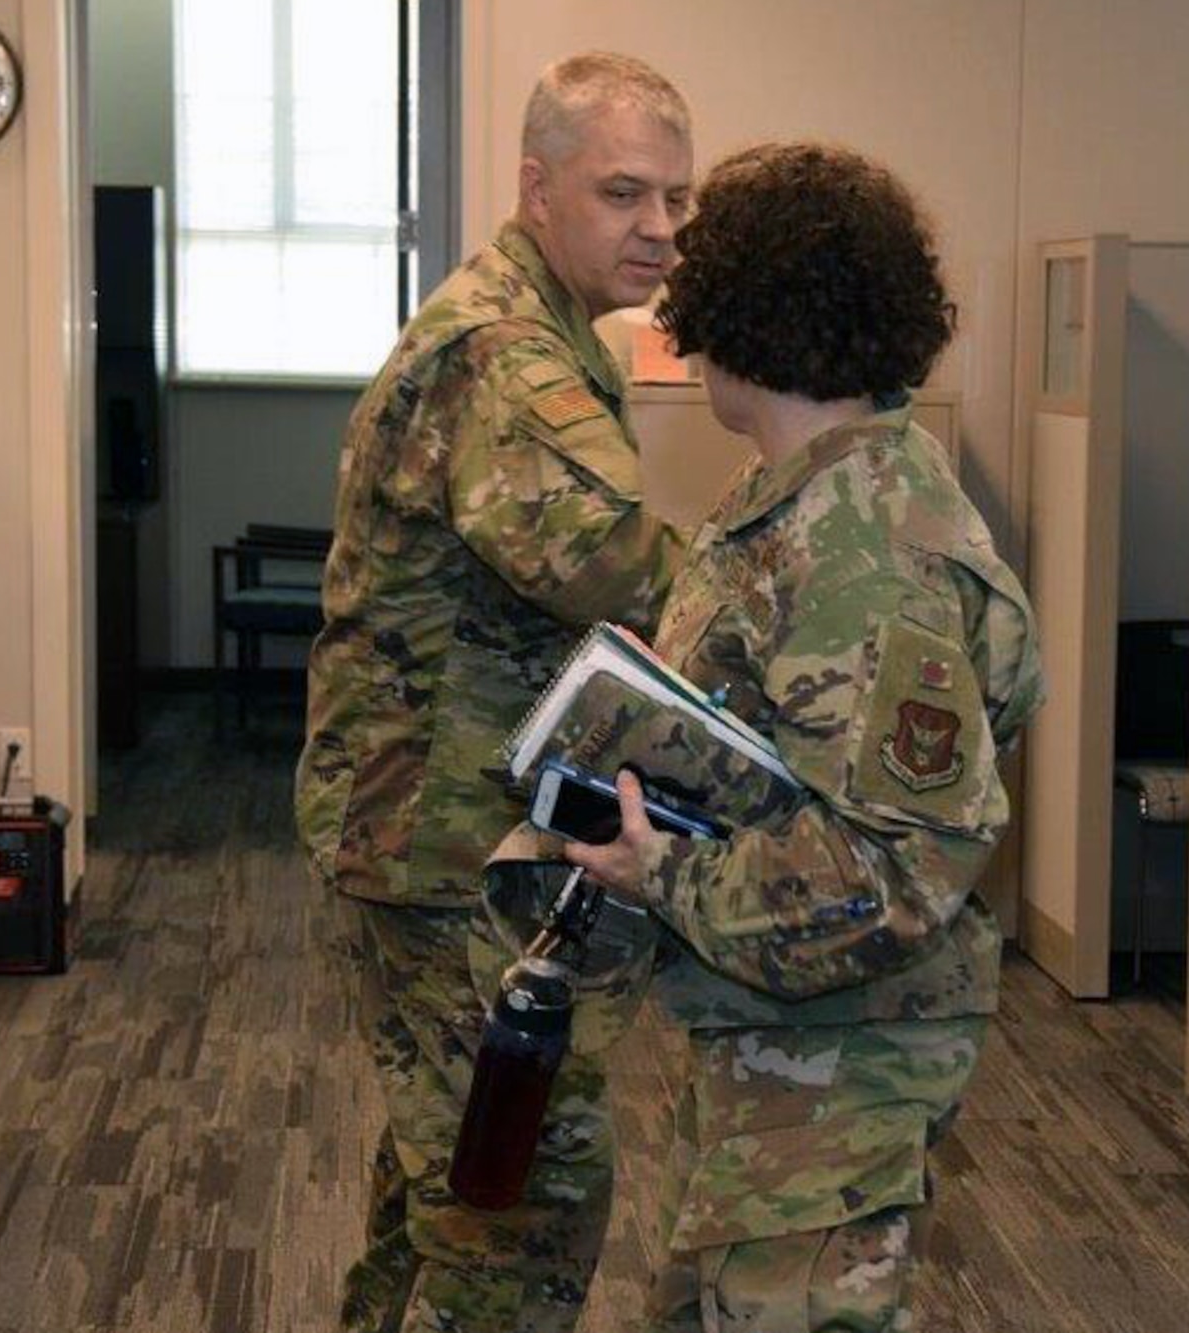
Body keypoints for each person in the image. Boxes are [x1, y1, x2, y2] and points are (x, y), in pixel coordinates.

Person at [563, 142, 1044, 1331]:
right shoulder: (805, 493)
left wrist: (659, 866)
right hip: (777, 1034)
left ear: (732, 314)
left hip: (837, 1057)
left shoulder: (861, 550)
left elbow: (899, 868)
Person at [294, 52, 692, 1333]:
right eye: (624, 193)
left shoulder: (553, 326)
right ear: (536, 187)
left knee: (453, 1153)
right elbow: (604, 562)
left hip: (443, 813)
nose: (660, 230)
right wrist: (773, 590)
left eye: (676, 200)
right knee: (520, 1189)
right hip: (437, 833)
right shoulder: (506, 354)